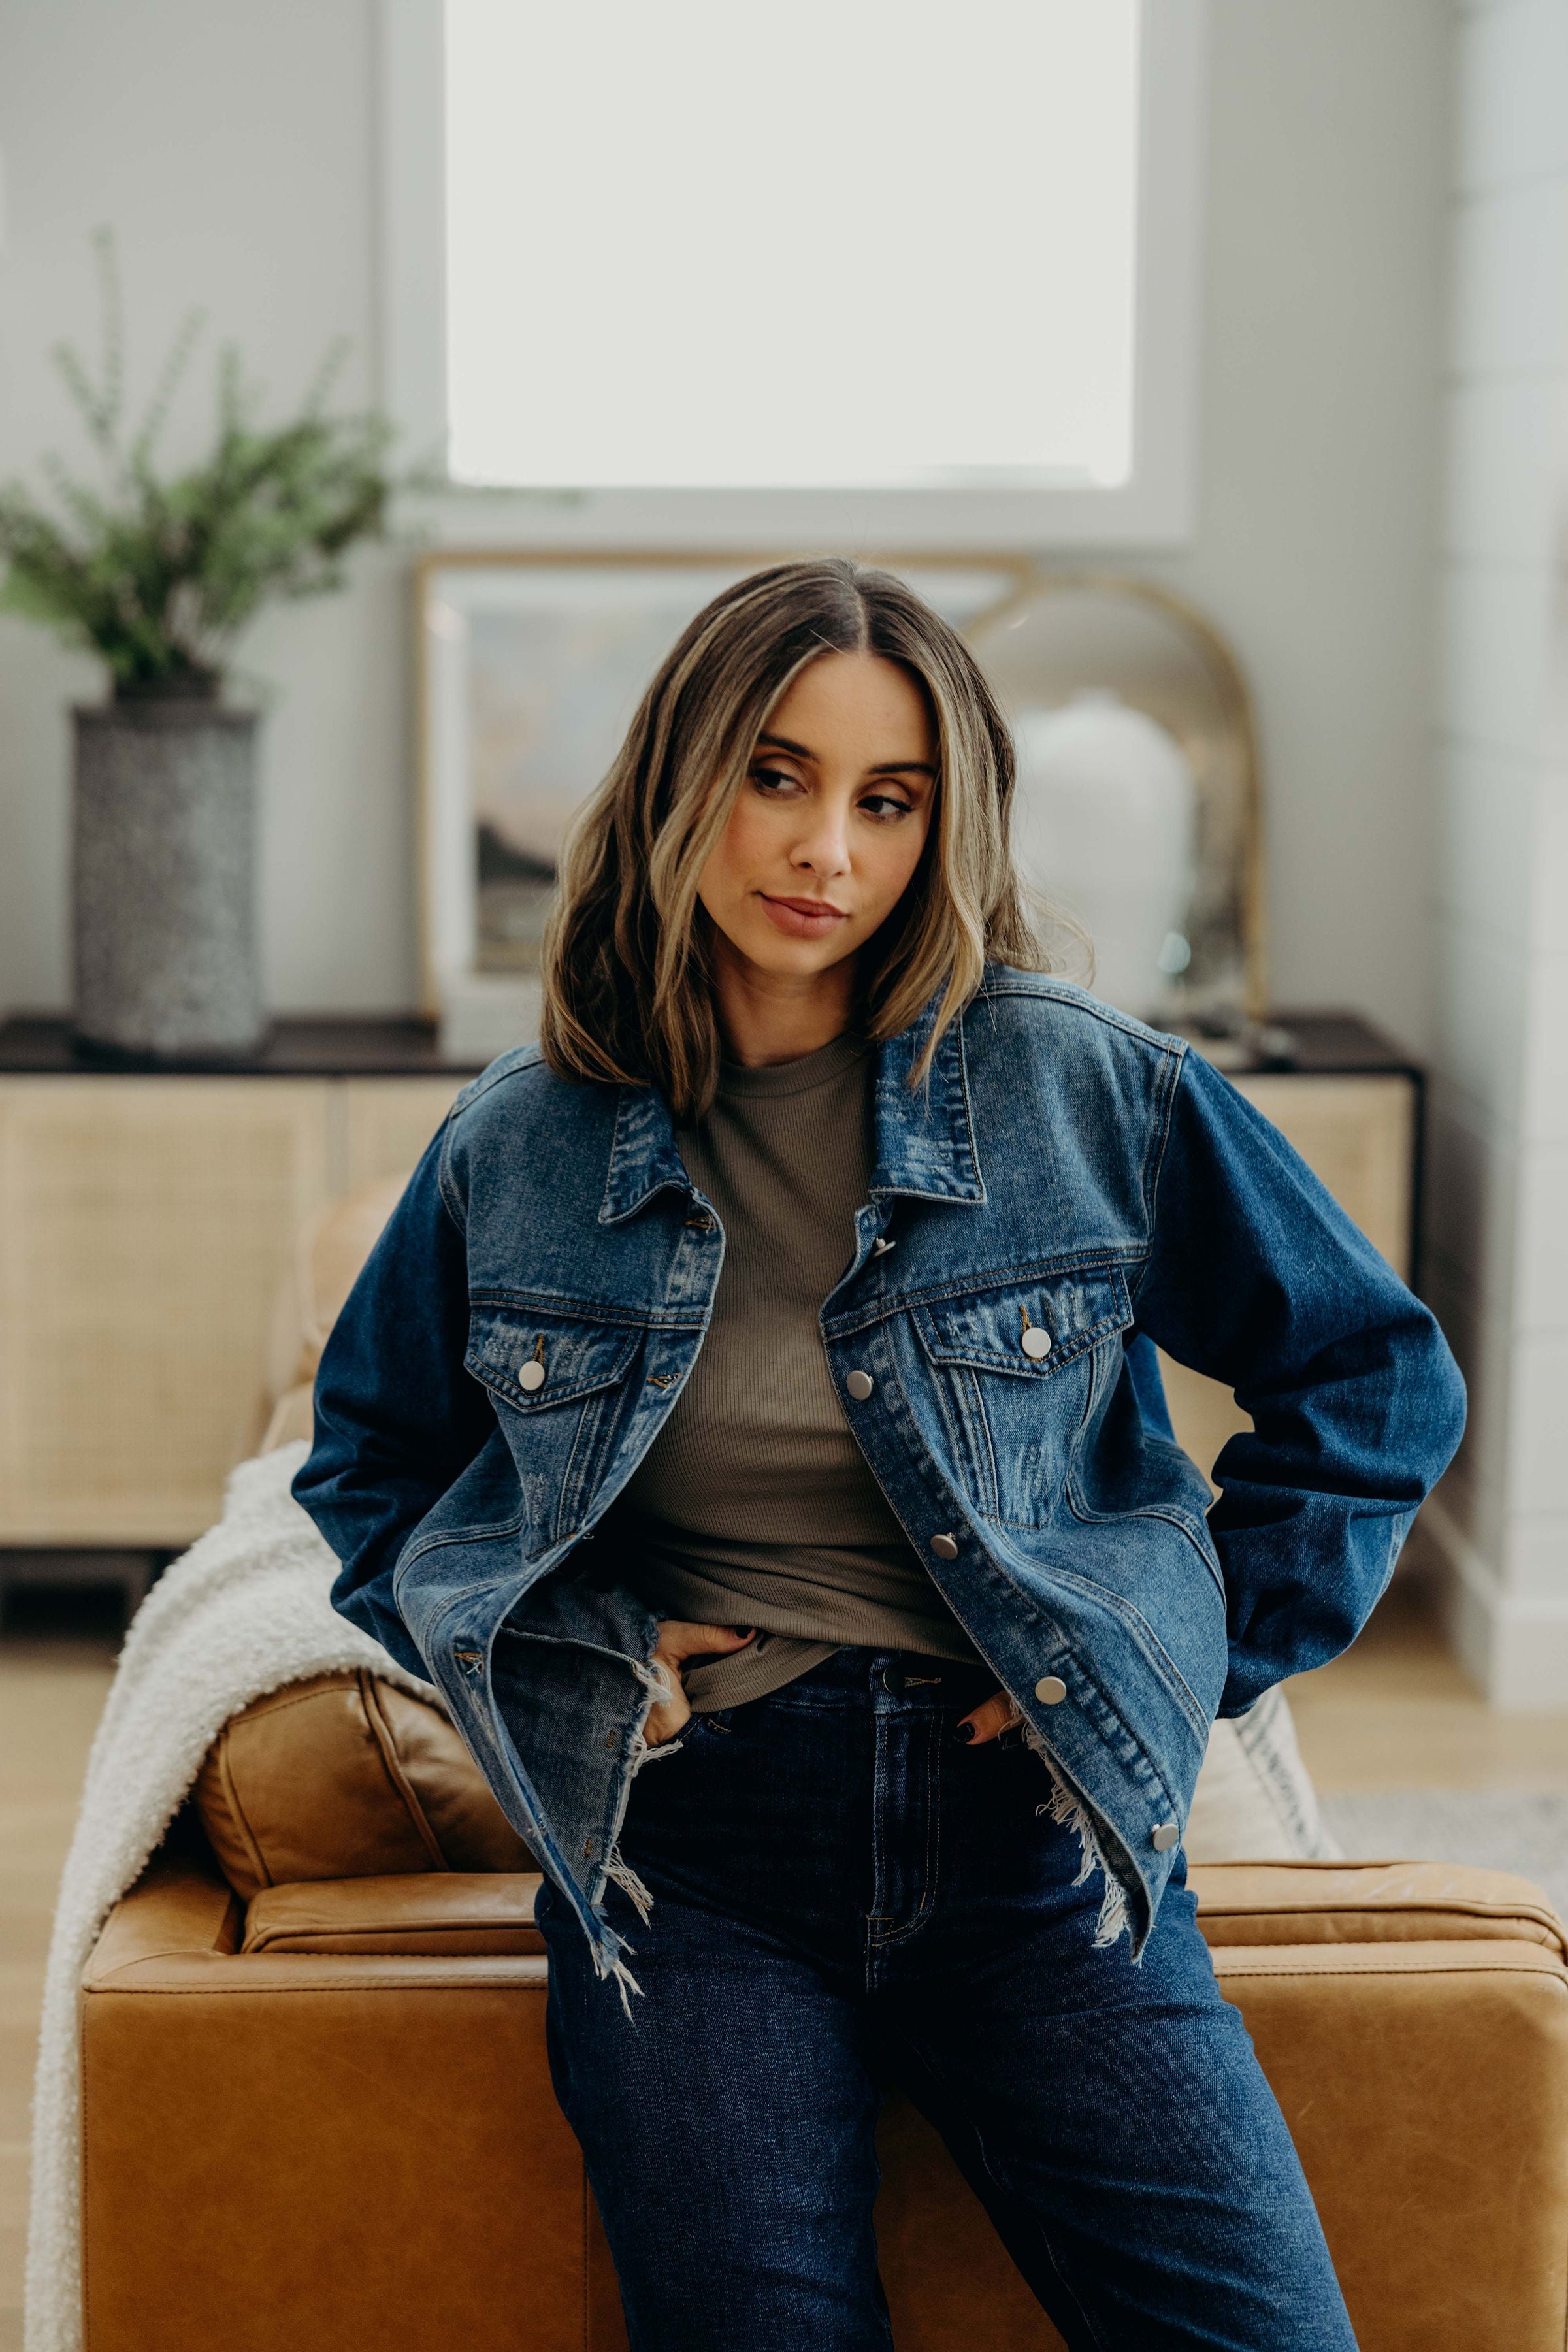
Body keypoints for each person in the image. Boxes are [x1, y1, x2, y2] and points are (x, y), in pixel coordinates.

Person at [295, 559, 1464, 2350]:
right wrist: (571, 1645)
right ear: (685, 781)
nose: (824, 846)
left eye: (887, 799)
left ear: (943, 826)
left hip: (1038, 1838)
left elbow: (1373, 1373)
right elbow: (371, 1468)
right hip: (693, 1859)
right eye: (777, 774)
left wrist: (1202, 1645)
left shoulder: (1083, 1090)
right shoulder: (516, 1149)